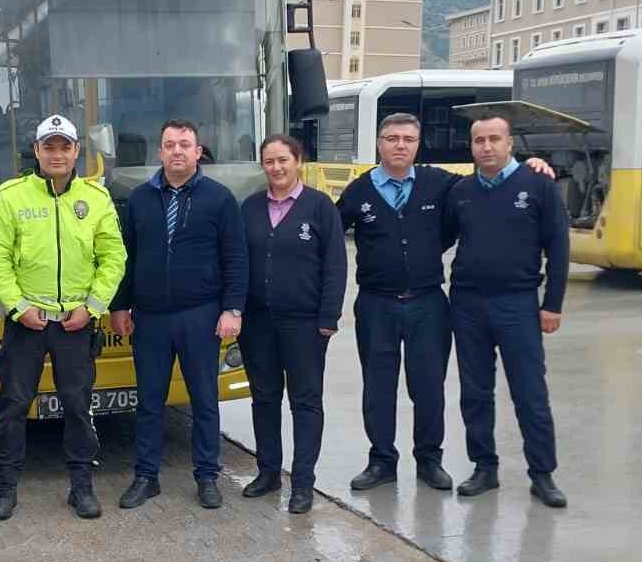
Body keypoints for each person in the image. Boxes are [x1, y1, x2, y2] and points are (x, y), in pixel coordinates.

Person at [336, 113, 553, 495]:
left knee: (429, 388)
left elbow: (489, 179)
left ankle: (429, 460)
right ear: (379, 144)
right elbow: (329, 230)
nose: (400, 145)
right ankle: (382, 461)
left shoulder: (442, 184)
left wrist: (531, 166)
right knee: (378, 387)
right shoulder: (359, 190)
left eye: (408, 139)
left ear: (418, 144)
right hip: (376, 306)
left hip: (428, 305)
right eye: (391, 138)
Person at [0, 114, 126, 521]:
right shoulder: (12, 196)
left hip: (75, 324)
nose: (57, 154)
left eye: (65, 146)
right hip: (26, 323)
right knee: (13, 405)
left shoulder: (96, 198)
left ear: (77, 151)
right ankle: (5, 486)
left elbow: (113, 258)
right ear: (37, 151)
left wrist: (92, 307)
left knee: (78, 406)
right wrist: (17, 307)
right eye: (50, 147)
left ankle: (81, 486)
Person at [110, 119, 248, 510]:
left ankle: (207, 477)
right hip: (150, 318)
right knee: (149, 401)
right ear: (160, 152)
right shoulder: (139, 199)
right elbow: (126, 257)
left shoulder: (219, 199)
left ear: (198, 151)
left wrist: (232, 308)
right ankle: (146, 476)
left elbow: (236, 257)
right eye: (169, 144)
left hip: (200, 316)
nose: (177, 151)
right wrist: (120, 305)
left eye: (184, 144)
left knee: (204, 399)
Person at [445, 114, 570, 508]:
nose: (487, 147)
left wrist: (552, 304)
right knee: (475, 392)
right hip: (468, 305)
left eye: (494, 139)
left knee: (530, 392)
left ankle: (542, 474)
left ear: (510, 143)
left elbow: (559, 247)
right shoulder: (461, 191)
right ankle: (484, 467)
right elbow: (438, 236)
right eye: (479, 140)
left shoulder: (538, 185)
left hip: (518, 304)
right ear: (471, 146)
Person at [237, 134, 346, 514]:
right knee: (265, 398)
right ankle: (268, 472)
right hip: (257, 323)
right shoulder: (250, 208)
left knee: (305, 402)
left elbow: (335, 265)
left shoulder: (320, 207)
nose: (277, 167)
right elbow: (238, 262)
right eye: (269, 161)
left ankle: (302, 483)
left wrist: (328, 317)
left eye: (283, 159)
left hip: (305, 324)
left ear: (298, 161)